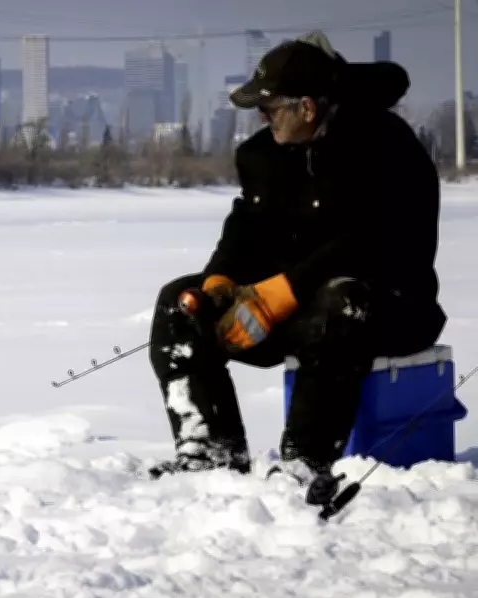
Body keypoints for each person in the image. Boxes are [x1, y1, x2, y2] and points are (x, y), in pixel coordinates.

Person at [147, 31, 447, 502]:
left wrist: (284, 290)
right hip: (288, 308)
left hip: (387, 307)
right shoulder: (262, 154)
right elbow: (246, 226)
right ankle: (210, 453)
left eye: (270, 108)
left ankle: (305, 462)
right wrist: (220, 282)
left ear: (307, 107)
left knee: (339, 301)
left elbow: (374, 240)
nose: (261, 119)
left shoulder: (387, 146)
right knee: (179, 303)